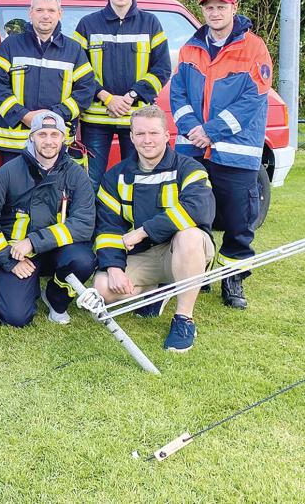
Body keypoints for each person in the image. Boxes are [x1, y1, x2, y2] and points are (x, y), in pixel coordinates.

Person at [170, 0, 273, 310]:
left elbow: (252, 100)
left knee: (237, 220)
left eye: (220, 7)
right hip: (193, 149)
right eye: (209, 7)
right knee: (192, 212)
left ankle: (233, 278)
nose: (215, 13)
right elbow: (178, 94)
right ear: (203, 10)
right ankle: (193, 272)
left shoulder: (254, 48)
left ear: (233, 8)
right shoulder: (190, 47)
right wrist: (192, 130)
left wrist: (210, 132)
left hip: (236, 151)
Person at [93, 105, 216, 352]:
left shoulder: (189, 168)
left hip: (184, 250)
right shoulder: (115, 176)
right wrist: (114, 267)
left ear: (167, 135)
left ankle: (184, 319)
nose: (147, 140)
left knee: (189, 235)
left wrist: (144, 231)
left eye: (153, 133)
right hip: (145, 255)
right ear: (130, 137)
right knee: (102, 288)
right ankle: (156, 292)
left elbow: (198, 208)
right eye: (140, 134)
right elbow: (107, 227)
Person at [0, 111, 97, 327]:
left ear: (63, 138)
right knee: (14, 317)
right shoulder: (8, 172)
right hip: (17, 255)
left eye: (55, 135)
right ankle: (5, 283)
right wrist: (7, 259)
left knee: (83, 260)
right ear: (32, 136)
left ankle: (56, 297)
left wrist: (34, 242)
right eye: (42, 134)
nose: (49, 141)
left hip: (56, 250)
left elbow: (83, 223)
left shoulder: (76, 174)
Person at [72, 0, 172, 192]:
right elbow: (78, 70)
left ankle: (136, 225)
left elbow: (162, 69)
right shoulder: (88, 24)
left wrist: (131, 96)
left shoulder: (151, 23)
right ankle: (90, 227)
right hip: (97, 118)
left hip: (137, 118)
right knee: (91, 179)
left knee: (138, 176)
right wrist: (107, 97)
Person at [0, 0, 94, 161]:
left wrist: (53, 116)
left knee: (54, 188)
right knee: (16, 188)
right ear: (30, 13)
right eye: (39, 10)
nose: (46, 16)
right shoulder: (10, 46)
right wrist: (23, 115)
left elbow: (85, 91)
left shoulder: (74, 50)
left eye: (51, 11)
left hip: (56, 144)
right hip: (15, 144)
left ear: (60, 13)